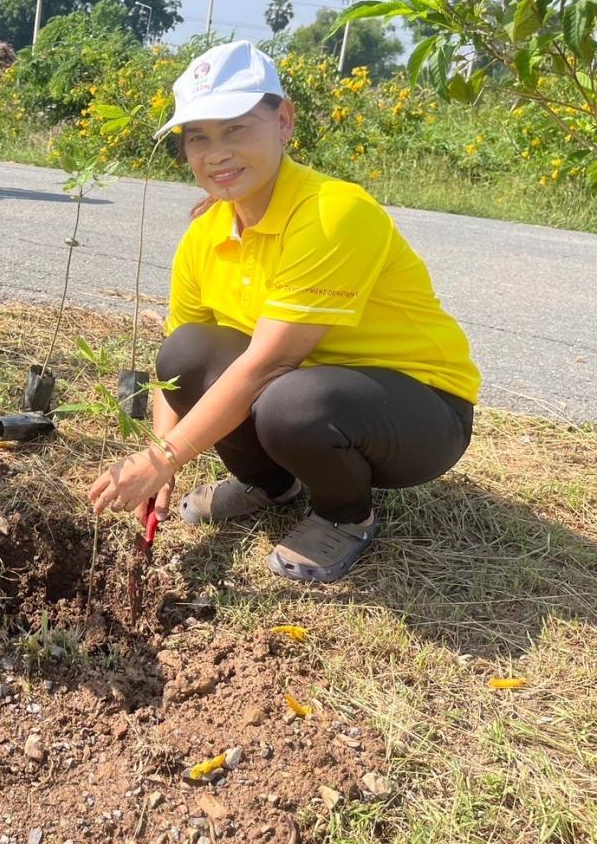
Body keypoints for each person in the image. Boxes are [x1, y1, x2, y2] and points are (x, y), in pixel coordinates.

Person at [88, 40, 479, 584]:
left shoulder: (332, 213)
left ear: (284, 122)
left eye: (237, 129)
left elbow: (269, 364)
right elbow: (175, 370)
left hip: (420, 410)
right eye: (198, 137)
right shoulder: (206, 234)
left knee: (290, 402)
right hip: (304, 388)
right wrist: (159, 454)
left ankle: (345, 516)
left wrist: (166, 458)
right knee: (186, 353)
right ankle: (271, 484)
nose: (217, 153)